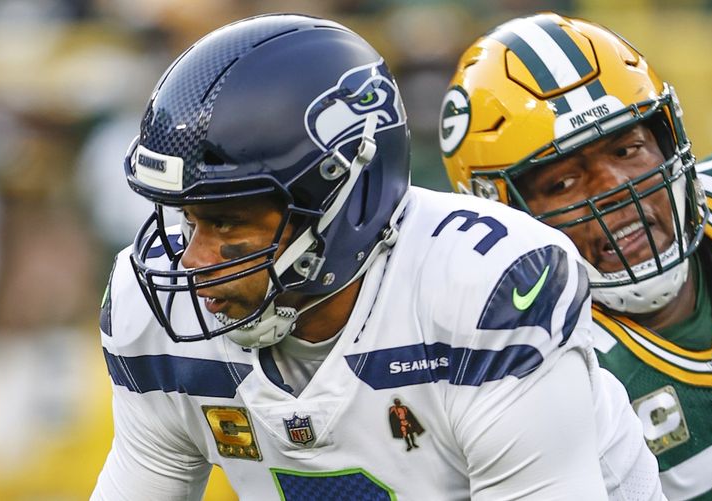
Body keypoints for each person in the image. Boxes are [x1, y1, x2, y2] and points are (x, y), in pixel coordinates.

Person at [92, 13, 664, 500]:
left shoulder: (485, 287)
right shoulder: (156, 315)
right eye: (185, 219)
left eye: (226, 221)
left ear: (344, 198)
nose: (192, 261)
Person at [439, 12, 712, 500]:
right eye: (562, 182)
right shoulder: (518, 357)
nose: (613, 188)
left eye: (629, 148)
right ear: (497, 211)